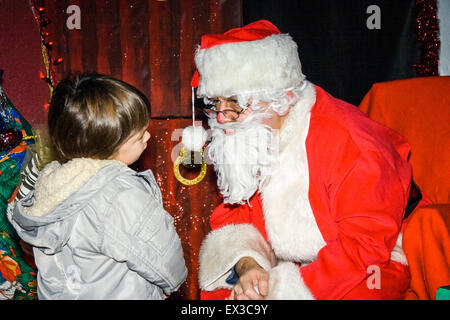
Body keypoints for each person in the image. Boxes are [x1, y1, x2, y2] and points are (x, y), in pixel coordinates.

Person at [192, 20, 432, 300]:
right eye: (214, 104)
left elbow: (366, 244)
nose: (222, 119)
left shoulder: (349, 139)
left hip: (372, 259)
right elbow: (235, 220)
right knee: (223, 295)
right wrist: (249, 267)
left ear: (280, 96)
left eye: (234, 103)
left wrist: (283, 291)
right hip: (290, 261)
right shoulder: (248, 136)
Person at [8, 74, 187, 299]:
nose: (148, 136)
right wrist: (175, 281)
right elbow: (165, 260)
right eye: (138, 135)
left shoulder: (53, 185)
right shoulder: (120, 194)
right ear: (106, 146)